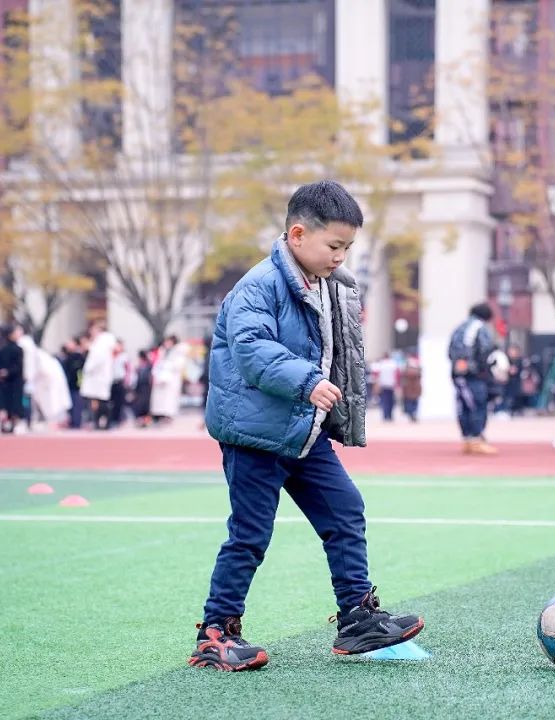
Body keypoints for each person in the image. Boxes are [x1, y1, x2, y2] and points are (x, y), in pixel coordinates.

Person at [195, 180, 422, 671]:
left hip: (303, 430)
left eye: (348, 247)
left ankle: (357, 617)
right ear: (297, 235)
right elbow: (253, 350)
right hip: (254, 436)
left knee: (345, 510)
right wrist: (307, 381)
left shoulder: (328, 283)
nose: (341, 256)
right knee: (250, 535)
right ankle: (216, 633)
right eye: (334, 245)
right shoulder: (258, 286)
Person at [449, 302, 499, 455]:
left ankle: (468, 439)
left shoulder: (460, 327)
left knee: (464, 405)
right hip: (474, 374)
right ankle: (476, 439)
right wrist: (485, 369)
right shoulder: (479, 328)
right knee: (477, 405)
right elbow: (485, 349)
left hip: (459, 373)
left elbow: (450, 351)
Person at [80, 322, 116, 430]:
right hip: (99, 377)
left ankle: (104, 422)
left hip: (98, 377)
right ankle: (99, 422)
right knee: (97, 401)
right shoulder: (101, 343)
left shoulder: (102, 343)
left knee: (101, 401)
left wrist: (89, 369)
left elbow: (97, 360)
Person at [0, 325, 25, 433]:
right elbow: (19, 366)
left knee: (8, 404)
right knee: (12, 404)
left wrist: (2, 372)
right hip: (13, 382)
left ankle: (8, 424)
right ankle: (9, 423)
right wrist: (7, 372)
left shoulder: (2, 348)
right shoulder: (17, 349)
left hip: (7, 381)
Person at [150, 335, 186, 423]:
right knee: (159, 399)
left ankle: (169, 415)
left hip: (171, 379)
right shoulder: (162, 351)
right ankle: (159, 414)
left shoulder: (178, 352)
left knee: (169, 399)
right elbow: (157, 363)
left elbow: (179, 365)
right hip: (160, 378)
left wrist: (167, 366)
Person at [61, 337, 86, 429]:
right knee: (71, 404)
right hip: (69, 384)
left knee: (76, 403)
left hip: (75, 385)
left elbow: (80, 372)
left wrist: (80, 383)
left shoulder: (78, 357)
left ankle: (76, 422)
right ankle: (72, 421)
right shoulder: (69, 356)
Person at [372, 352, 399, 422]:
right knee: (391, 401)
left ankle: (385, 415)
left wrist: (377, 385)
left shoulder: (381, 364)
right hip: (391, 385)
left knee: (384, 401)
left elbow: (376, 375)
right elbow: (397, 375)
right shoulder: (393, 364)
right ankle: (390, 415)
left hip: (383, 385)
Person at [400, 353, 422, 422]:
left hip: (410, 389)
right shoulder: (417, 370)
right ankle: (412, 414)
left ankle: (412, 414)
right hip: (413, 389)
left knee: (411, 402)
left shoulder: (406, 370)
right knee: (413, 402)